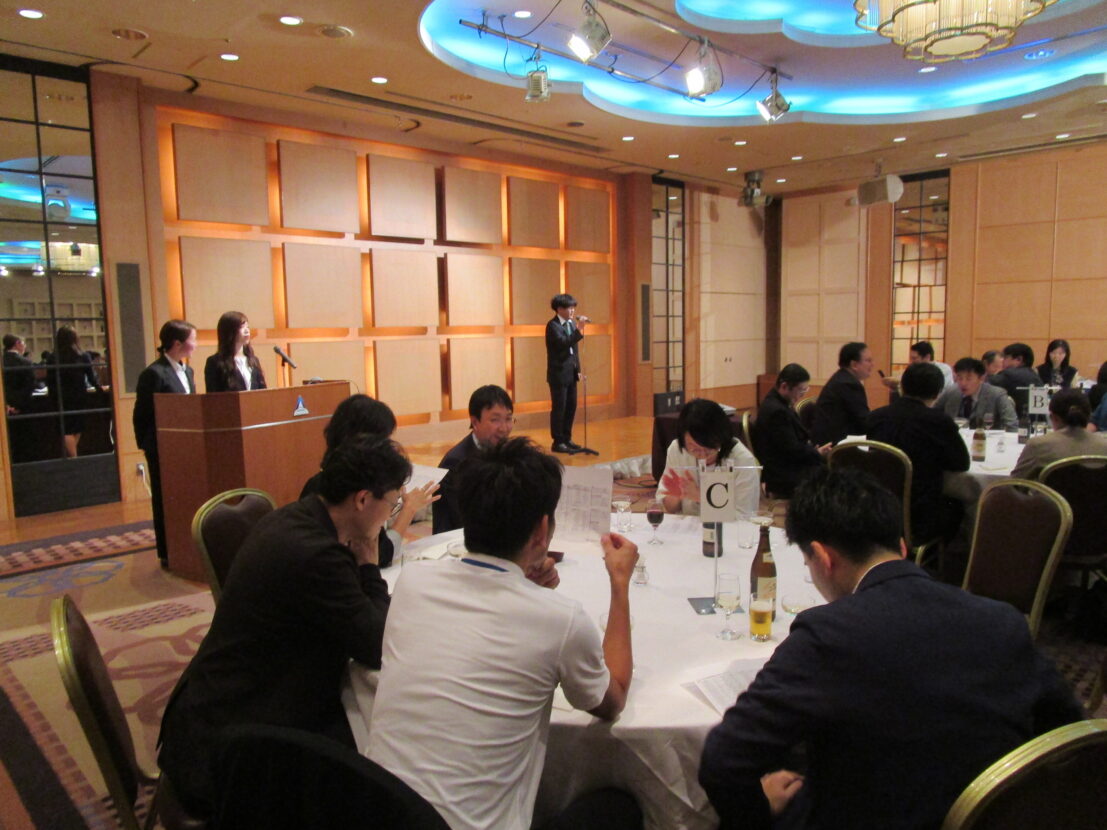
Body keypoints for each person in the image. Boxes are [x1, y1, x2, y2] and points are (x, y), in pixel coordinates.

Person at [698, 467, 1085, 830]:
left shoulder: (828, 635)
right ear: (901, 547)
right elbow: (1070, 734)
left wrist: (759, 812)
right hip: (991, 816)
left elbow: (724, 761)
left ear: (823, 558)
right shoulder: (1002, 620)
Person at [368, 437, 642, 830]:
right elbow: (612, 699)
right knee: (620, 807)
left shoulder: (413, 581)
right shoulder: (560, 619)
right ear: (542, 530)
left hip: (378, 813)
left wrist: (522, 584)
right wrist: (619, 583)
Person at [158, 435, 410, 818]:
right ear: (362, 499)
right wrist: (369, 566)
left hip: (211, 712)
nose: (390, 515)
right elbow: (377, 644)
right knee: (379, 771)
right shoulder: (318, 555)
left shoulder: (294, 517)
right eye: (392, 504)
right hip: (228, 751)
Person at [300, 394, 439, 567]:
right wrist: (408, 509)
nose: (389, 448)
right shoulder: (342, 490)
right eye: (385, 440)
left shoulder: (334, 479)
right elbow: (381, 553)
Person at [867, 362, 969, 544]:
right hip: (920, 514)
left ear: (903, 386)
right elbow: (961, 463)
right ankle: (938, 556)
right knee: (958, 506)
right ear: (937, 393)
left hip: (877, 507)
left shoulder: (876, 416)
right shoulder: (938, 421)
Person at [132, 320, 197, 566]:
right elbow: (142, 414)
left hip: (184, 446)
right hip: (161, 447)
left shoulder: (188, 371)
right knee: (163, 498)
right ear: (177, 344)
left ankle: (186, 545)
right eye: (192, 340)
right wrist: (148, 446)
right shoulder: (154, 373)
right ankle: (166, 552)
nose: (195, 345)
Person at [657, 398, 760, 518]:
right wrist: (676, 495)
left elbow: (744, 517)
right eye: (694, 449)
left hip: (725, 528)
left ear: (722, 438)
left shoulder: (742, 460)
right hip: (687, 526)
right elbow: (667, 507)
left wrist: (701, 496)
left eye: (709, 448)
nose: (702, 455)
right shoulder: (677, 450)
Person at [432, 384, 514, 534]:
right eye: (495, 420)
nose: (504, 428)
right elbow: (463, 519)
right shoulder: (456, 462)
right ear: (475, 422)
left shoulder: (510, 452)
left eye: (508, 419)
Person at [753, 364, 829, 498]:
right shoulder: (777, 411)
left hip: (787, 465)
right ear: (784, 386)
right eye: (800, 391)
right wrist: (816, 453)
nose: (801, 396)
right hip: (783, 474)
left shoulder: (779, 402)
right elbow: (791, 449)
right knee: (832, 477)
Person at [1011, 388, 1107, 480]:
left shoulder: (1038, 445)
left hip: (1050, 492)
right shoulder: (1104, 446)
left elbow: (1014, 483)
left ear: (1053, 417)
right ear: (1089, 415)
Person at [47, 324, 101, 458]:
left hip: (61, 397)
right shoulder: (82, 356)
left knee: (66, 429)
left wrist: (52, 396)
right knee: (77, 427)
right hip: (78, 395)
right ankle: (74, 458)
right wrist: (99, 389)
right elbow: (91, 377)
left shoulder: (53, 357)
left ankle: (72, 457)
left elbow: (50, 380)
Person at [811, 341, 873, 445]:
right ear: (854, 364)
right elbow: (863, 421)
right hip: (835, 444)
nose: (872, 364)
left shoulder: (842, 378)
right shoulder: (848, 384)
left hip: (832, 438)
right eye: (868, 360)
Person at [546, 293, 586, 454]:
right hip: (558, 374)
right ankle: (558, 441)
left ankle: (567, 438)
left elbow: (574, 351)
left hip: (571, 373)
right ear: (559, 309)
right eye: (569, 308)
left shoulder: (571, 324)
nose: (572, 311)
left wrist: (578, 370)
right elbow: (563, 343)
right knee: (559, 408)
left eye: (573, 308)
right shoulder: (553, 326)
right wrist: (579, 331)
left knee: (571, 406)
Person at [935, 357, 1017, 429]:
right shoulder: (951, 392)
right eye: (959, 378)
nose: (963, 383)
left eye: (968, 379)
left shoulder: (997, 394)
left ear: (982, 378)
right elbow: (933, 414)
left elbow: (1012, 424)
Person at [203, 310, 266, 392]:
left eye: (247, 327)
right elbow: (213, 394)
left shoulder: (253, 360)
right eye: (241, 327)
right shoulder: (215, 362)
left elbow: (262, 390)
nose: (247, 331)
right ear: (229, 332)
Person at [987, 342, 1041, 415]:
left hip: (1017, 419)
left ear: (1019, 359)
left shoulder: (1009, 374)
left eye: (1005, 357)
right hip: (1038, 420)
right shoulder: (1035, 376)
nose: (1002, 361)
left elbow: (982, 385)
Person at [883, 340, 954, 393]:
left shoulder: (944, 369)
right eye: (911, 358)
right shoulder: (912, 369)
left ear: (927, 357)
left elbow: (939, 391)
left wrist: (900, 383)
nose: (911, 362)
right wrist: (894, 385)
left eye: (914, 358)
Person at [2, 334, 35, 413]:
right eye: (24, 343)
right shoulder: (25, 362)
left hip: (2, 405)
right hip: (21, 407)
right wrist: (18, 406)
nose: (25, 346)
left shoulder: (2, 361)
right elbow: (30, 385)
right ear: (17, 343)